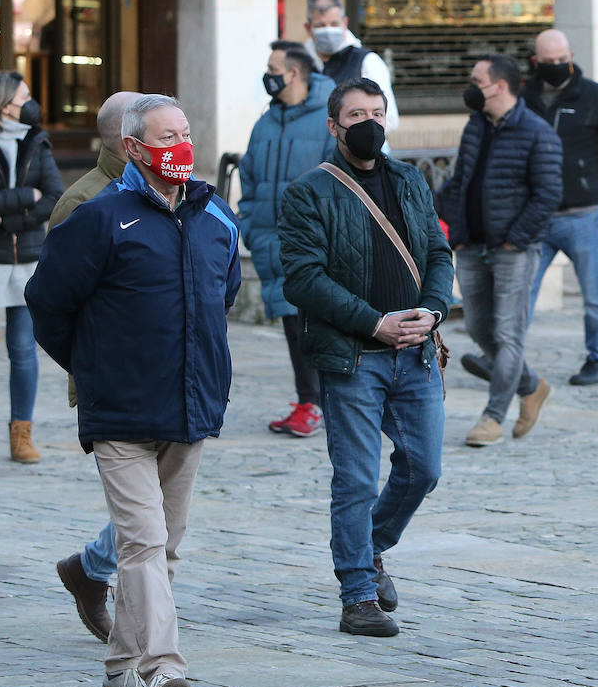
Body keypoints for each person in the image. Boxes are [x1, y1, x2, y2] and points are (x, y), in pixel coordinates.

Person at [25, 94, 241, 687]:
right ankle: (160, 668)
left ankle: (122, 665)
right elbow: (49, 302)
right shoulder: (100, 217)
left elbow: (219, 294)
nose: (181, 143)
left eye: (187, 130)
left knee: (164, 544)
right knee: (143, 542)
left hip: (190, 406)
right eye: (167, 135)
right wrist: (94, 367)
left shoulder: (213, 215)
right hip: (120, 412)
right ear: (135, 148)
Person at [278, 78, 453, 639]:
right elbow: (303, 279)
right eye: (356, 114)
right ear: (334, 126)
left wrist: (433, 310)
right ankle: (357, 595)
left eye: (377, 113)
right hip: (353, 355)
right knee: (354, 479)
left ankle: (371, 546)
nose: (369, 123)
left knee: (423, 468)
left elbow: (436, 253)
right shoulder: (309, 191)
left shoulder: (408, 179)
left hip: (417, 353)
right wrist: (373, 322)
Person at [462, 29, 598, 386]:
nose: (556, 66)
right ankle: (502, 359)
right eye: (549, 61)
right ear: (535, 61)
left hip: (583, 213)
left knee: (595, 293)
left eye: (562, 59)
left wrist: (589, 181)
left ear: (571, 55)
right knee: (519, 293)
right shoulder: (522, 96)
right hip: (536, 216)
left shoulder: (597, 97)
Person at [49, 91, 141, 644]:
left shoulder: (166, 191)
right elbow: (54, 302)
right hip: (112, 378)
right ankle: (139, 633)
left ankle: (88, 569)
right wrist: (87, 367)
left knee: (158, 503)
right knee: (144, 510)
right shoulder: (84, 202)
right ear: (126, 139)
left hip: (170, 373)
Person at [437, 54, 560, 447]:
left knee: (508, 334)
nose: (471, 88)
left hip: (512, 250)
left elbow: (548, 195)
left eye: (477, 80)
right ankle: (531, 386)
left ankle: (492, 418)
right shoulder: (475, 126)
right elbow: (461, 181)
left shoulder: (538, 132)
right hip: (471, 245)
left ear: (500, 86)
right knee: (477, 327)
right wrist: (454, 228)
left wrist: (516, 238)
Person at [239, 40, 337, 437]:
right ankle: (308, 401)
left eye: (272, 67)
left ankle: (323, 403)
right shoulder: (266, 121)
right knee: (291, 325)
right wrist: (249, 225)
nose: (268, 74)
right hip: (271, 243)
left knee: (316, 326)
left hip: (315, 247)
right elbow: (249, 177)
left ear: (293, 73)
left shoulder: (331, 118)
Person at [0, 70, 62, 464]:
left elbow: (54, 195)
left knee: (23, 349)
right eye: (24, 96)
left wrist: (9, 219)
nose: (31, 103)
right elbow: (36, 195)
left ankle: (21, 433)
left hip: (27, 259)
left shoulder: (37, 141)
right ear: (5, 104)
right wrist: (25, 196)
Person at [302, 0, 400, 137]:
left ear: (345, 23)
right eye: (321, 25)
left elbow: (389, 120)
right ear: (308, 28)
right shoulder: (301, 64)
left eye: (334, 24)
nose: (328, 30)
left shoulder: (367, 62)